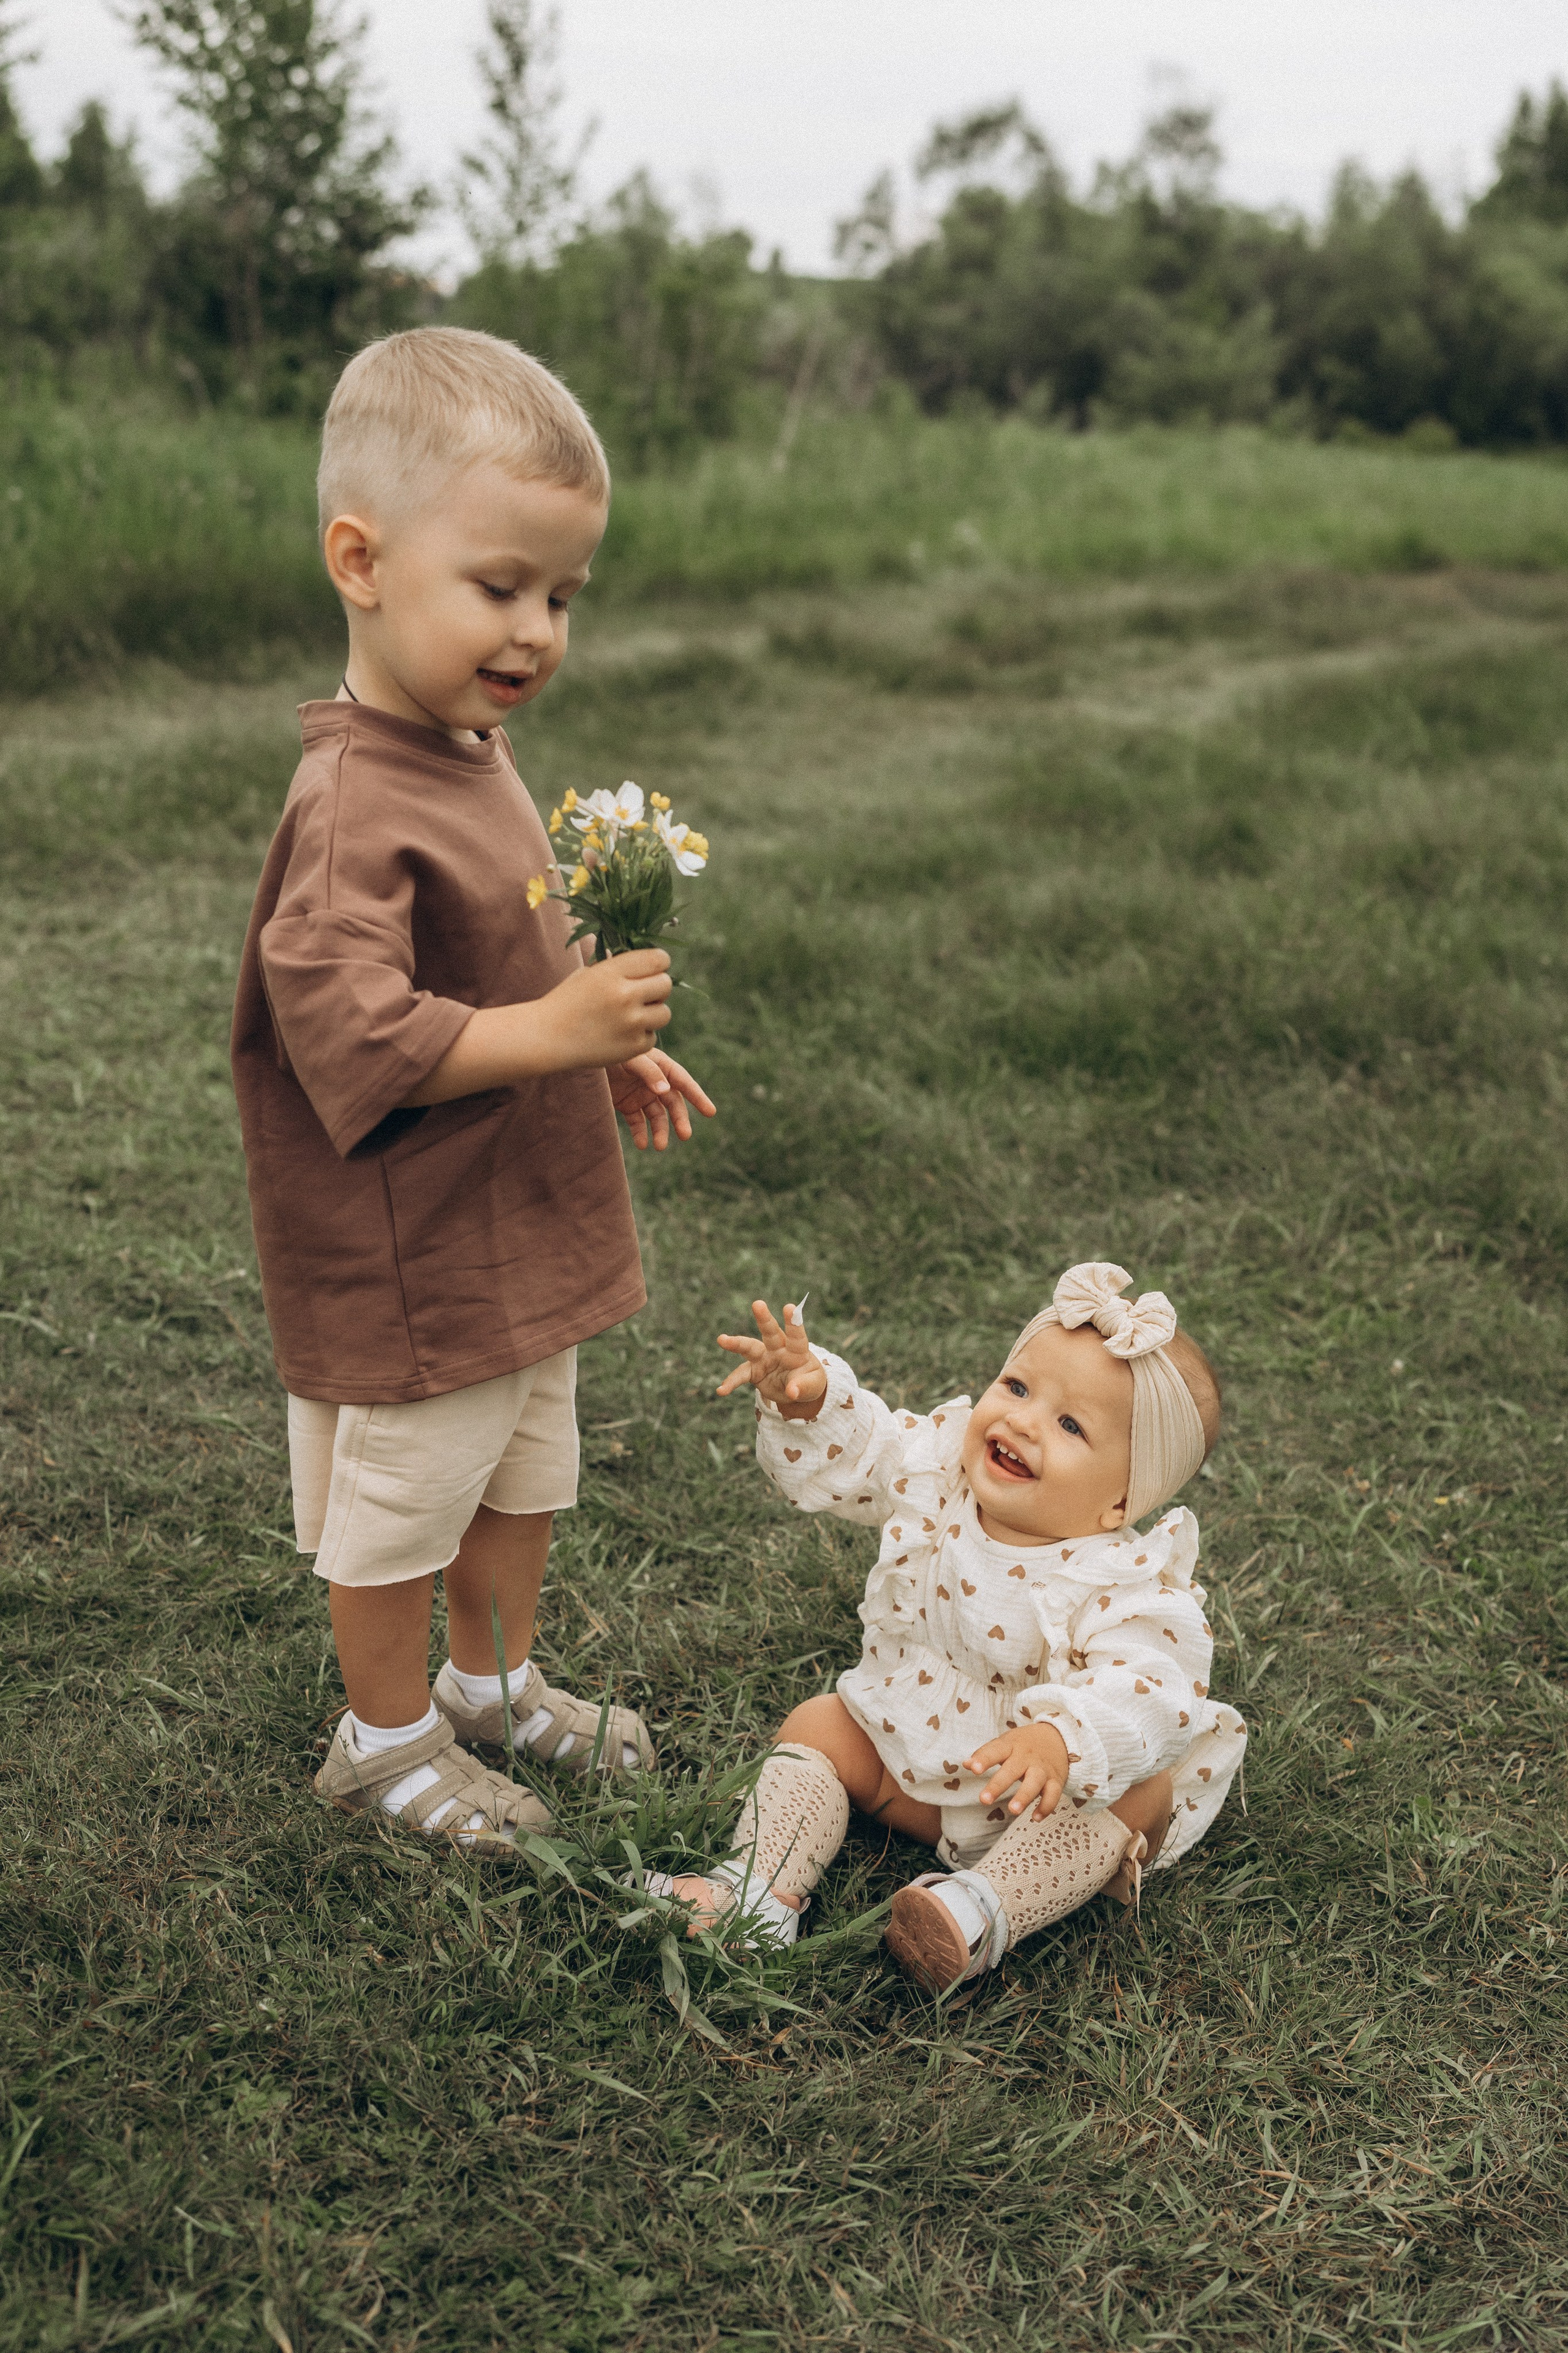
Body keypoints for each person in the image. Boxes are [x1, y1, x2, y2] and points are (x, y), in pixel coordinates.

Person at [230, 327, 714, 1852]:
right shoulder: (348, 805)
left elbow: (504, 957)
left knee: (520, 1473)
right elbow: (353, 1035)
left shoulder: (468, 744)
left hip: (512, 1222)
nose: (535, 629)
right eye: (499, 586)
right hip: (414, 1249)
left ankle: (490, 1685)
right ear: (360, 561)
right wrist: (549, 1029)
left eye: (561, 594)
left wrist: (597, 1040)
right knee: (403, 1502)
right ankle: (381, 1742)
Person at [647, 1262, 1246, 1993]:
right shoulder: (940, 1470)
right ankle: (758, 1895)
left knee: (1139, 1794)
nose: (1021, 1420)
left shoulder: (1120, 1580)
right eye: (1017, 1386)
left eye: (1069, 1425)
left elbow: (1151, 1686)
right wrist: (811, 1400)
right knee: (820, 1724)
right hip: (913, 1762)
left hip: (1030, 1806)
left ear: (1119, 1503)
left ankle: (979, 1910)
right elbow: (870, 1447)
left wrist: (1061, 1740)